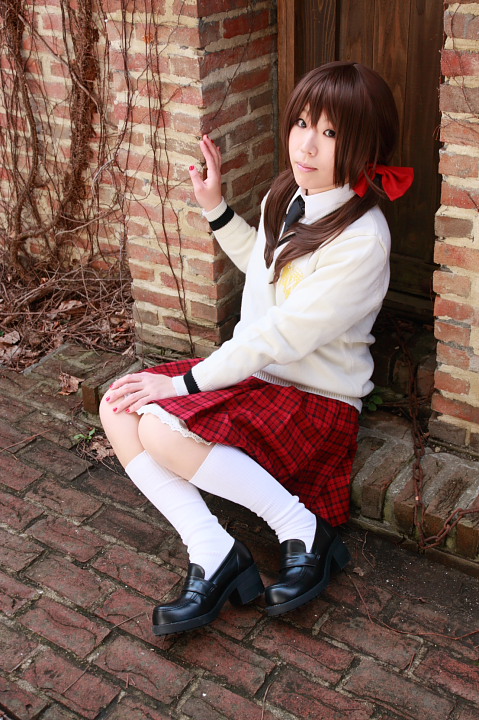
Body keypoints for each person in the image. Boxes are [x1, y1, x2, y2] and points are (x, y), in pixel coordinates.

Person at [99, 61, 413, 636]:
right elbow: (266, 269)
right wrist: (216, 209)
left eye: (331, 132)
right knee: (118, 405)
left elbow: (281, 335)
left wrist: (183, 383)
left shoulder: (362, 239)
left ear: (364, 146)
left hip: (315, 400)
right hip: (260, 377)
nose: (307, 144)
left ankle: (304, 531)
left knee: (162, 431)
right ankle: (214, 551)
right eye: (302, 123)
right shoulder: (289, 193)